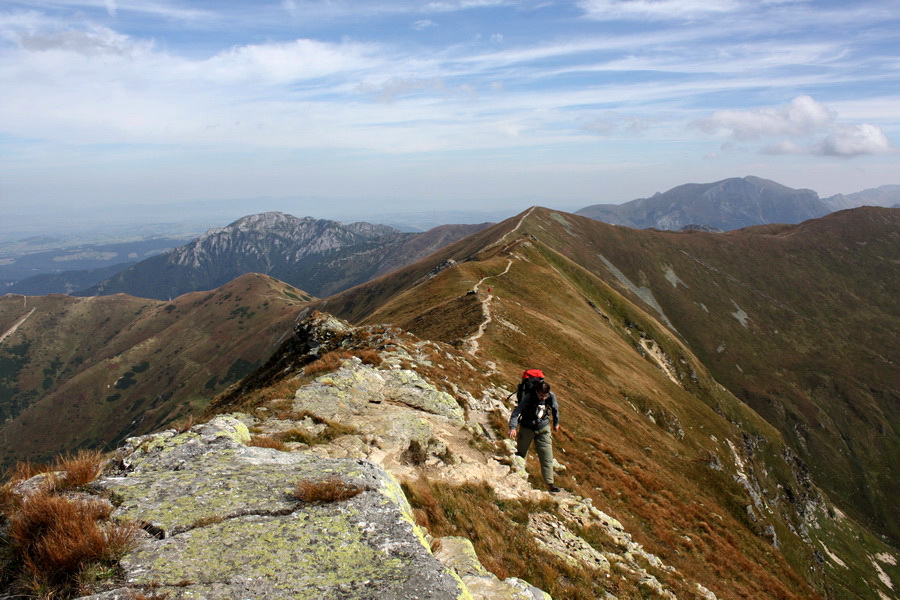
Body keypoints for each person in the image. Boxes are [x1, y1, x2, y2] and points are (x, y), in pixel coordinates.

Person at [508, 381, 561, 492]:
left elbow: (555, 409)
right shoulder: (529, 397)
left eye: (545, 395)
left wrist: (556, 423)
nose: (543, 398)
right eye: (541, 395)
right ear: (536, 391)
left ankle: (550, 484)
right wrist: (513, 427)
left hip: (543, 428)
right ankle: (518, 475)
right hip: (527, 428)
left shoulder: (551, 396)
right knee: (521, 453)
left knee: (547, 456)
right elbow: (516, 411)